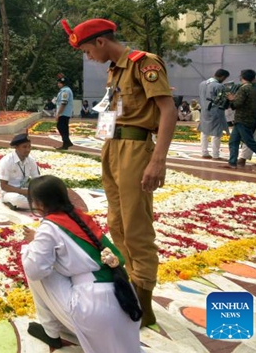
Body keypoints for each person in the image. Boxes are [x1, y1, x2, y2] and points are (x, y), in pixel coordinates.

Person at [62, 17, 176, 327]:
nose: (89, 58)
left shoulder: (144, 64)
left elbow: (168, 110)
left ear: (100, 41)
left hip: (137, 150)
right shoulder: (114, 72)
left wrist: (158, 160)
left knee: (136, 225)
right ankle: (129, 286)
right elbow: (112, 112)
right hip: (112, 148)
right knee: (116, 221)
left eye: (87, 51)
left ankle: (144, 300)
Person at [21, 175, 142, 352]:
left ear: (38, 203)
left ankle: (51, 331)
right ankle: (64, 327)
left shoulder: (49, 227)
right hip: (126, 303)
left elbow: (34, 270)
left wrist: (34, 242)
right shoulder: (81, 218)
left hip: (91, 310)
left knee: (31, 258)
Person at [225, 69, 256, 170]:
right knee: (234, 141)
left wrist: (232, 99)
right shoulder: (253, 88)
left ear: (242, 77)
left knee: (250, 141)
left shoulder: (245, 88)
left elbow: (237, 104)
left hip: (243, 119)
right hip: (247, 118)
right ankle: (232, 162)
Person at [0, 133, 41, 210]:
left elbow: (37, 179)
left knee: (49, 191)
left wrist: (37, 190)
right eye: (24, 147)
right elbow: (4, 186)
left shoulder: (31, 160)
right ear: (16, 147)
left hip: (26, 190)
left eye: (29, 146)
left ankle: (34, 204)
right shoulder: (6, 161)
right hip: (9, 193)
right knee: (18, 199)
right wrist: (24, 192)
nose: (28, 150)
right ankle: (41, 206)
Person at [55, 77, 74, 150]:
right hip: (65, 113)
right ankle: (66, 144)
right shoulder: (65, 90)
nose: (58, 84)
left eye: (59, 83)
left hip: (64, 113)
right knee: (64, 128)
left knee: (61, 127)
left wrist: (58, 113)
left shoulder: (65, 91)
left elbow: (63, 103)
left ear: (62, 84)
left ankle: (67, 141)